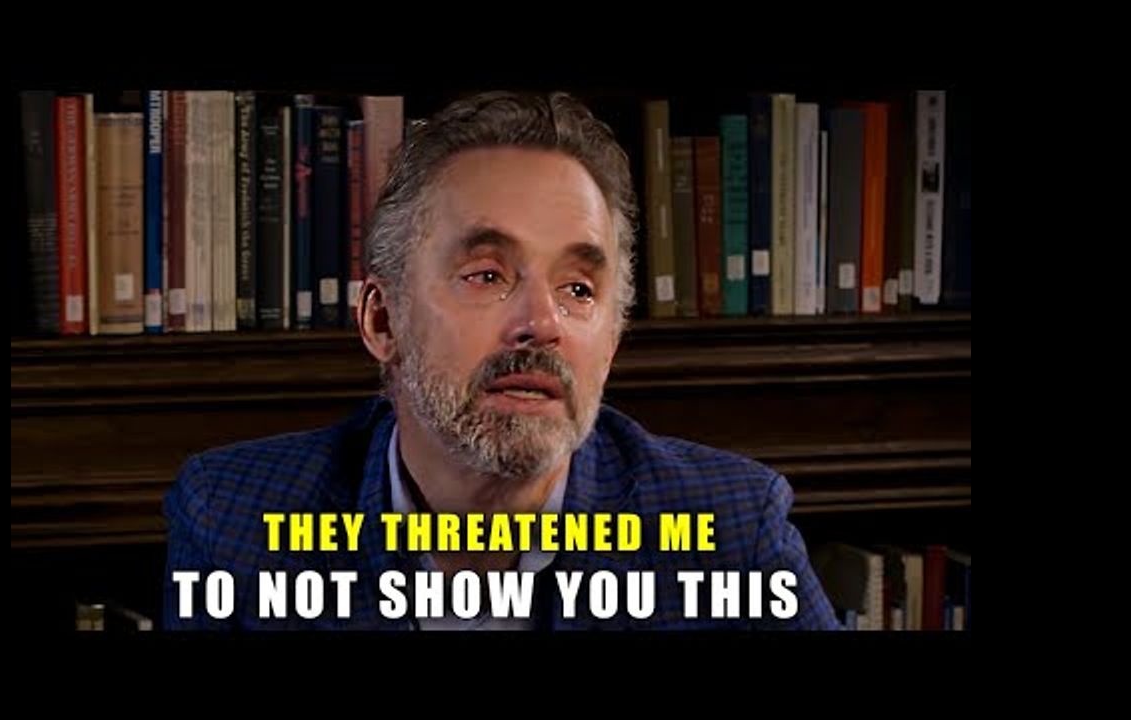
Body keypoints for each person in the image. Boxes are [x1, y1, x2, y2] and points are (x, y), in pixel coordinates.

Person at [163, 90, 841, 630]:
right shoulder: (235, 522)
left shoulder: (731, 534)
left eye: (579, 290)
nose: (541, 325)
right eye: (487, 275)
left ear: (611, 342)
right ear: (382, 320)